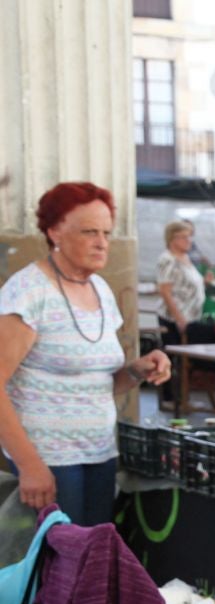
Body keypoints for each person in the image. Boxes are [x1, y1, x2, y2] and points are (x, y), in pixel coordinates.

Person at [0, 182, 172, 525]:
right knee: (59, 569)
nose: (102, 243)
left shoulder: (100, 289)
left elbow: (98, 383)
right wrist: (30, 465)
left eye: (106, 232)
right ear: (55, 233)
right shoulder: (29, 292)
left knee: (91, 559)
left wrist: (138, 370)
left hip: (99, 452)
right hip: (48, 459)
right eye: (89, 232)